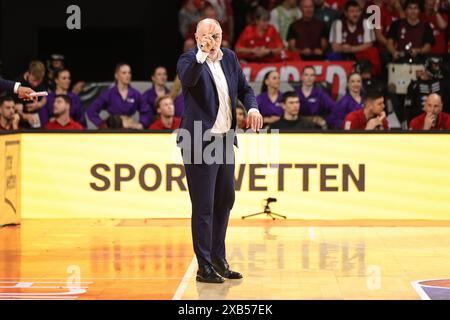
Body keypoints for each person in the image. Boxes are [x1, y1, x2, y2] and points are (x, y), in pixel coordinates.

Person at [176, 18, 263, 283]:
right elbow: (188, 80)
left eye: (216, 36)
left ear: (223, 36)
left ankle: (217, 258)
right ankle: (204, 267)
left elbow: (245, 89)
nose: (211, 41)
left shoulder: (230, 58)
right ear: (196, 36)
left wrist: (252, 108)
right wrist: (201, 53)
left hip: (224, 141)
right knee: (204, 206)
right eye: (206, 36)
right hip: (198, 142)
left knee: (225, 201)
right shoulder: (188, 60)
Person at [87, 63, 150, 129]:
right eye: (124, 73)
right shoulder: (109, 94)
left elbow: (146, 111)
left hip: (130, 129)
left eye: (129, 73)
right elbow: (91, 111)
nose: (127, 75)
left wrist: (141, 124)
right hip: (114, 129)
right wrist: (102, 124)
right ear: (116, 76)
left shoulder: (136, 94)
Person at [329, 0, 380, 75]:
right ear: (346, 13)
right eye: (352, 11)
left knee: (372, 51)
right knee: (333, 55)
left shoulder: (366, 22)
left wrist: (351, 49)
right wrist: (343, 49)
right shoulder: (338, 23)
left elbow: (369, 44)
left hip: (360, 55)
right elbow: (335, 47)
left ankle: (368, 76)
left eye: (357, 11)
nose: (355, 14)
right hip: (343, 55)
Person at [14, 60, 48, 128]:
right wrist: (27, 116)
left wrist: (39, 104)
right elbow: (14, 110)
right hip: (20, 123)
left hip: (36, 122)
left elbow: (45, 96)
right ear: (28, 73)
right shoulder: (18, 84)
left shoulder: (41, 82)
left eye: (38, 81)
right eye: (34, 80)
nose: (35, 84)